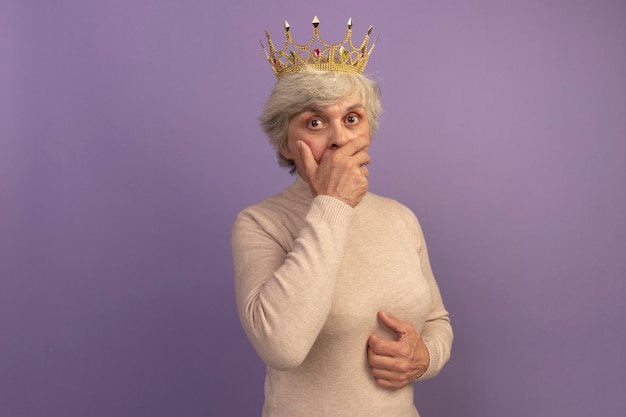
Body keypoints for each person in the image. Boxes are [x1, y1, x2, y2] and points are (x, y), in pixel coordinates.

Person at [231, 17, 453, 417]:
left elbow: (437, 320)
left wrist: (425, 358)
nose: (339, 137)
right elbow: (282, 346)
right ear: (285, 144)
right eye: (315, 122)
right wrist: (331, 204)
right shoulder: (260, 223)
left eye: (352, 118)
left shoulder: (401, 218)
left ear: (368, 129)